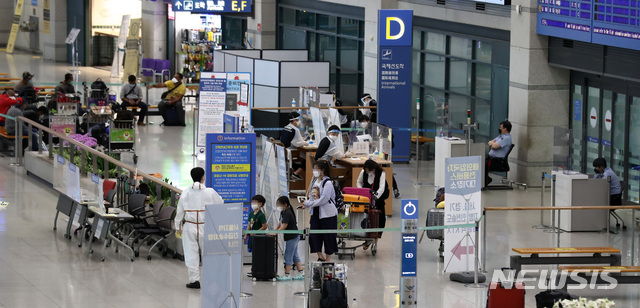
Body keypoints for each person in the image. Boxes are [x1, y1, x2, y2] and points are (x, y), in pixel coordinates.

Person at [174, 167, 224, 289]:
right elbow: (221, 203)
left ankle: (194, 280)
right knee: (208, 253)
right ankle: (211, 279)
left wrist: (177, 226)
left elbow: (179, 211)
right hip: (205, 225)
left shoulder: (185, 192)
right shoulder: (210, 192)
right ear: (203, 177)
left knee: (191, 253)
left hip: (190, 225)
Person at [301, 160, 339, 261]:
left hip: (328, 214)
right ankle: (320, 256)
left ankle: (328, 260)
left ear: (322, 170)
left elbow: (324, 199)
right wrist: (306, 203)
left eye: (316, 169)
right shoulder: (314, 181)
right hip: (315, 213)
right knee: (314, 235)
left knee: (329, 237)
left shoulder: (328, 183)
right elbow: (311, 197)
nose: (314, 171)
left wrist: (309, 204)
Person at [357, 159, 390, 247]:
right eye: (367, 170)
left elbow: (382, 187)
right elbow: (359, 182)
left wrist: (375, 197)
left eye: (370, 170)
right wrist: (361, 191)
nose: (369, 172)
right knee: (366, 219)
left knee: (378, 218)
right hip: (366, 199)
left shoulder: (381, 173)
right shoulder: (363, 172)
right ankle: (367, 240)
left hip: (378, 199)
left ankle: (376, 237)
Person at [274, 196, 305, 281]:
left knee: (288, 256)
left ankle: (287, 275)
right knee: (295, 256)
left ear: (285, 204)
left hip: (292, 237)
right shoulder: (283, 212)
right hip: (291, 237)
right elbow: (279, 223)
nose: (278, 206)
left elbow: (284, 226)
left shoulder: (288, 213)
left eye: (279, 204)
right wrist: (274, 231)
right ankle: (302, 273)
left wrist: (275, 232)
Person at [281, 112, 309, 180]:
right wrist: (306, 143)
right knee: (309, 158)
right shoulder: (295, 130)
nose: (299, 122)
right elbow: (298, 143)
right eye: (298, 120)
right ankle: (296, 173)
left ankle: (296, 172)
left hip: (285, 151)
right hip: (292, 152)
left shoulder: (286, 127)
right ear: (294, 120)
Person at [485, 120, 512, 187]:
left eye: (501, 127)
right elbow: (490, 142)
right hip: (491, 158)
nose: (500, 129)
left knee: (484, 165)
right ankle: (485, 180)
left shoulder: (506, 138)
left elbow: (494, 146)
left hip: (498, 161)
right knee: (480, 163)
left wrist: (493, 144)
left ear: (505, 129)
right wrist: (493, 143)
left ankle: (486, 181)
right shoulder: (500, 137)